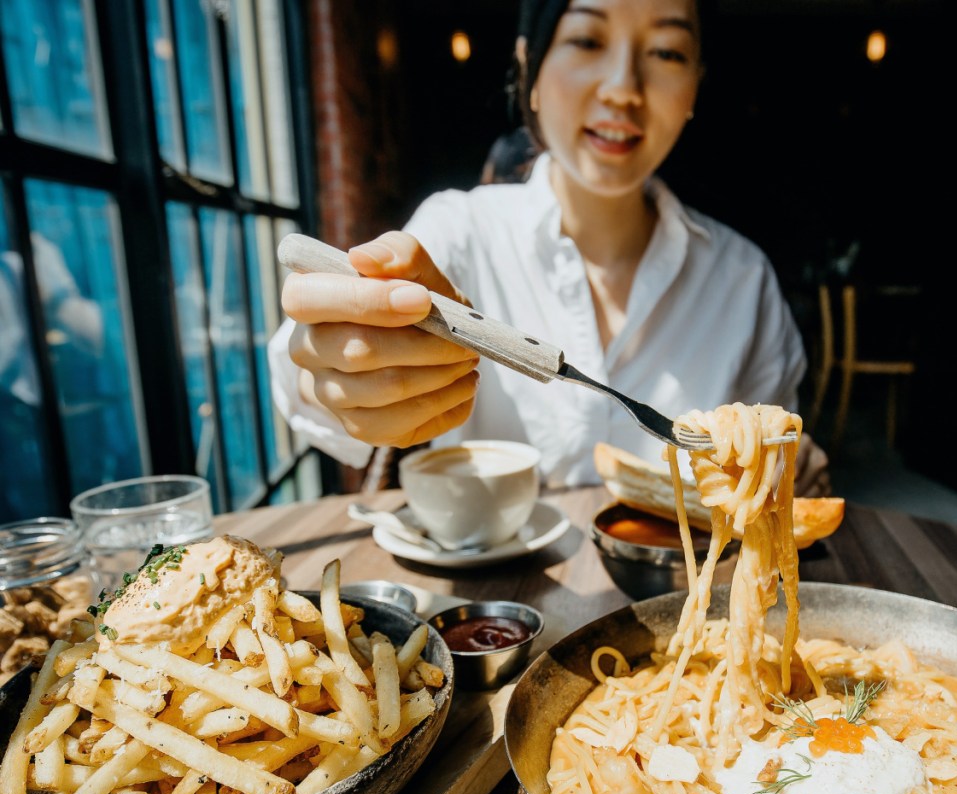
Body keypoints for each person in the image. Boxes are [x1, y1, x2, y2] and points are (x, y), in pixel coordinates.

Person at [269, 0, 830, 496]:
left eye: (665, 52)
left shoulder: (742, 277)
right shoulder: (461, 230)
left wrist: (787, 467)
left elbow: (774, 450)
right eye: (588, 40)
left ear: (695, 87)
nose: (622, 89)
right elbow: (301, 377)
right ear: (529, 69)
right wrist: (346, 367)